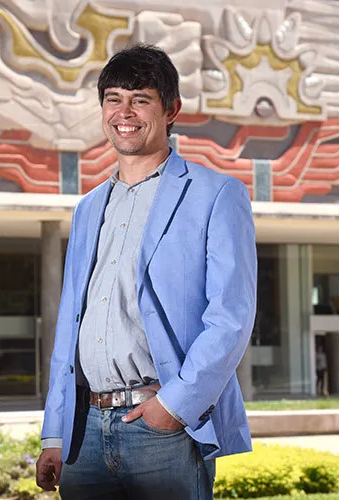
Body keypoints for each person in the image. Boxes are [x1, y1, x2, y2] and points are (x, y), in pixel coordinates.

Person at [35, 43, 257, 499]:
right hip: (85, 433)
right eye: (113, 98)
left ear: (171, 109)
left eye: (141, 99)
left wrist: (174, 408)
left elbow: (231, 316)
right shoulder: (87, 208)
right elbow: (69, 327)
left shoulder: (217, 195)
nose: (125, 112)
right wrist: (54, 433)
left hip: (162, 430)